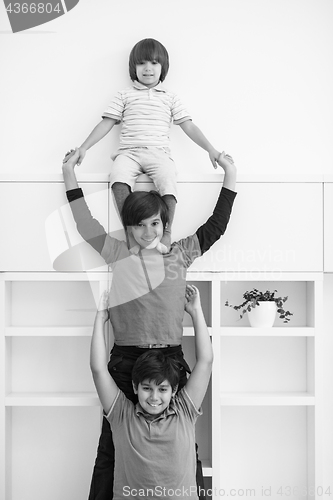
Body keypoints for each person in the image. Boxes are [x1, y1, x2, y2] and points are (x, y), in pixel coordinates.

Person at [62, 147, 237, 500]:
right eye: (138, 225)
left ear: (164, 224)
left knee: (184, 443)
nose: (146, 231)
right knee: (111, 448)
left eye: (154, 223)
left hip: (171, 360)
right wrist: (69, 171)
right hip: (127, 362)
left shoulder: (181, 253)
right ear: (128, 228)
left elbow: (216, 226)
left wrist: (230, 175)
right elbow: (83, 222)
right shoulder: (117, 252)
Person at [66, 38, 224, 251]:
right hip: (128, 153)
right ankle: (131, 232)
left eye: (154, 63)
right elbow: (106, 123)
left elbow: (189, 126)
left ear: (162, 67)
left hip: (159, 153)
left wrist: (211, 149)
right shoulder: (124, 95)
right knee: (118, 179)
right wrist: (84, 147)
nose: (148, 68)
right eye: (141, 63)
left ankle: (165, 233)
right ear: (134, 68)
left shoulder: (170, 98)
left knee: (168, 180)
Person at [91, 284, 213, 499]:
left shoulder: (183, 412)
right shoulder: (123, 417)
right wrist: (101, 317)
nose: (154, 397)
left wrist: (195, 311)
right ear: (135, 388)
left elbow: (206, 361)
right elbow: (98, 369)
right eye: (147, 388)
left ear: (174, 390)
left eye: (162, 389)